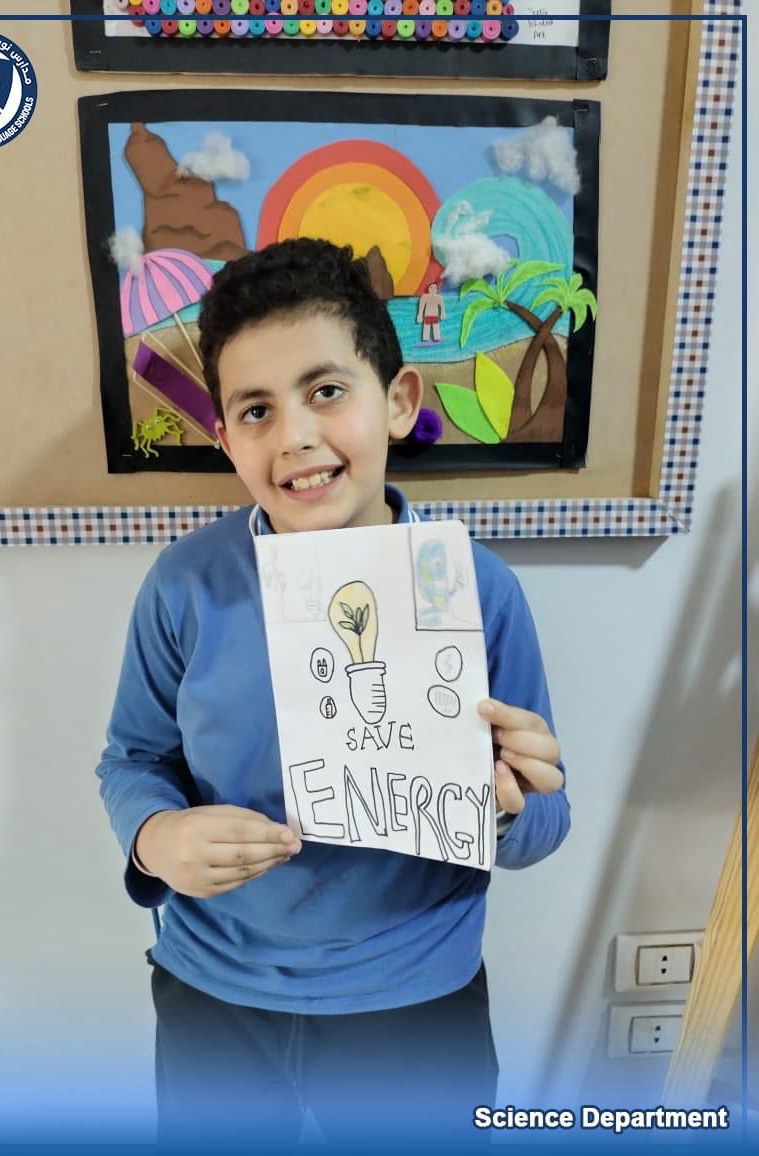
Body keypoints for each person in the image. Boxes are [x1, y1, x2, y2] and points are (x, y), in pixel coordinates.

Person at [95, 238, 570, 1152]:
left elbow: (544, 822)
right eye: (256, 410)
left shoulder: (475, 590)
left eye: (325, 391)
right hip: (215, 988)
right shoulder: (185, 585)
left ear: (398, 400)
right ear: (224, 437)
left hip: (413, 994)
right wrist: (156, 837)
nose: (295, 437)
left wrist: (508, 805)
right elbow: (133, 756)